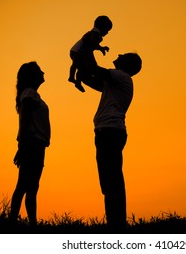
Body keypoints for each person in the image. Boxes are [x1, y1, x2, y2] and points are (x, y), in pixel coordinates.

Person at [82, 53, 142, 231]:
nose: (119, 55)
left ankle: (117, 224)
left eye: (123, 55)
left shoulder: (121, 76)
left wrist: (88, 49)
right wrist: (83, 72)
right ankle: (115, 223)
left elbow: (94, 70)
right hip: (108, 131)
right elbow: (92, 79)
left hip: (110, 131)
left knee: (112, 180)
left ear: (127, 64)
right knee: (110, 180)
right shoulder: (115, 82)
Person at [10, 61, 51, 227]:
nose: (43, 73)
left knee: (32, 186)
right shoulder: (29, 94)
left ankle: (32, 223)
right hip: (32, 143)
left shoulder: (31, 94)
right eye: (40, 71)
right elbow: (25, 120)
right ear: (32, 76)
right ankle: (13, 221)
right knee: (24, 185)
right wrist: (22, 147)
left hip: (37, 144)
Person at [68, 15, 113, 92]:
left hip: (84, 53)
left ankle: (78, 82)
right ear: (102, 27)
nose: (107, 33)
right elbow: (92, 42)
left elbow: (94, 44)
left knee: (81, 68)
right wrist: (100, 48)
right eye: (107, 30)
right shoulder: (95, 32)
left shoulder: (96, 34)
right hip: (78, 52)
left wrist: (101, 48)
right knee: (76, 65)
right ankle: (71, 77)